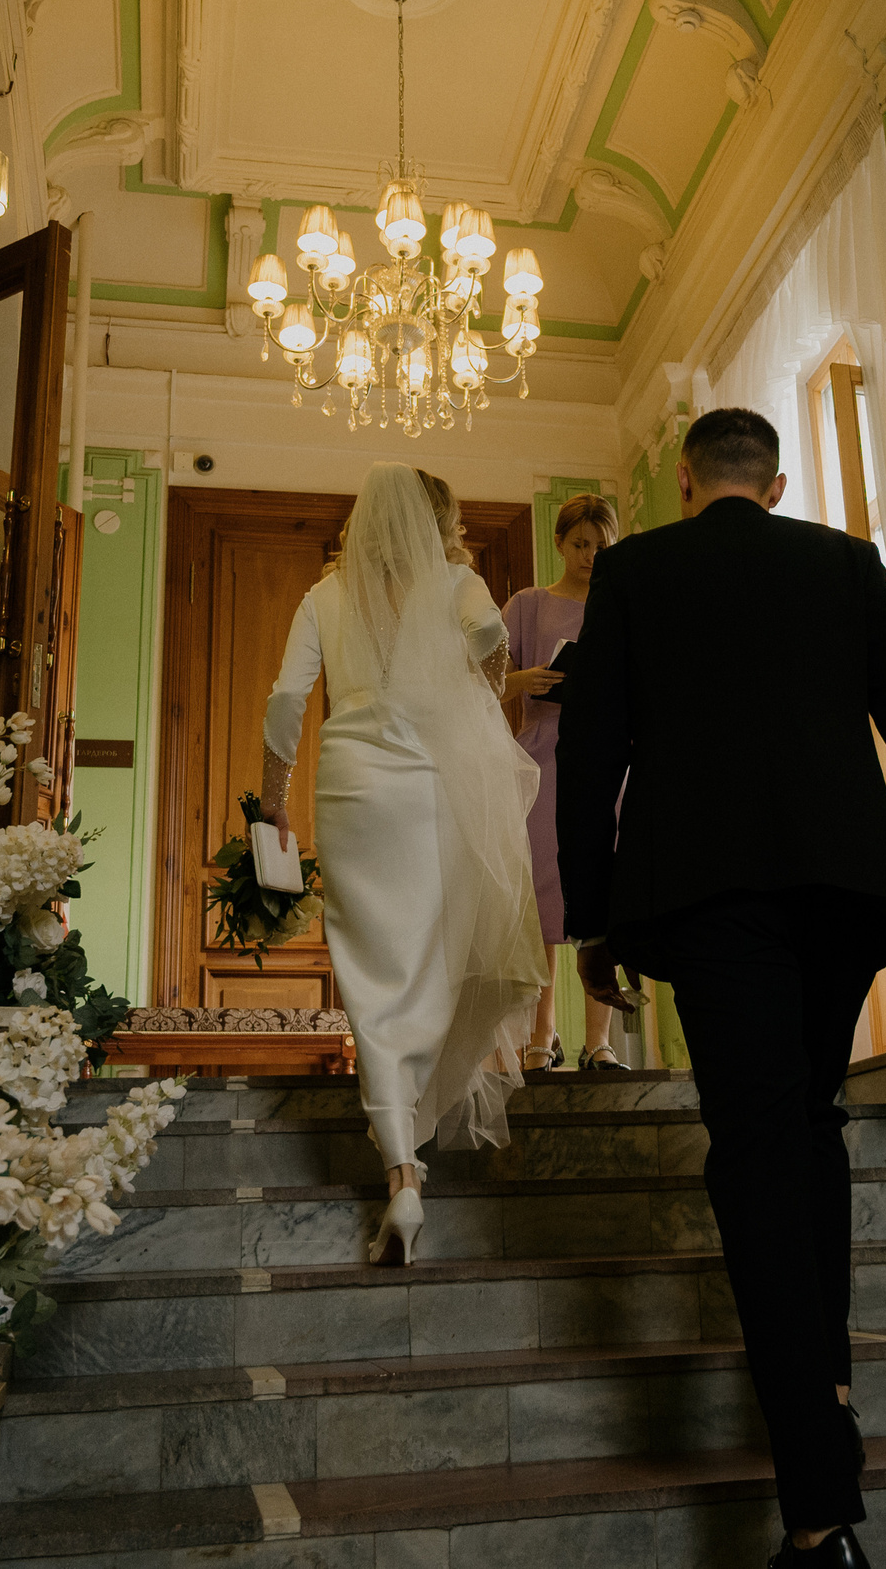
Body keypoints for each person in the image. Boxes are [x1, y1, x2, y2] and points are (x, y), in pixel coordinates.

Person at [556, 407, 886, 1569]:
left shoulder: (637, 569)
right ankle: (832, 1387)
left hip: (702, 894)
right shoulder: (842, 561)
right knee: (807, 1122)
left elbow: (591, 748)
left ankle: (817, 1509)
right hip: (838, 885)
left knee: (756, 1141)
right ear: (776, 478)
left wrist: (592, 916)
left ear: (689, 479)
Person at [260, 463, 548, 1266]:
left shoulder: (323, 596)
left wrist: (272, 798)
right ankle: (411, 1151)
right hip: (429, 785)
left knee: (370, 976)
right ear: (434, 523)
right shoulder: (458, 582)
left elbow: (288, 702)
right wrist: (473, 704)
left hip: (352, 791)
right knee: (432, 956)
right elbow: (495, 659)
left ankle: (401, 1173)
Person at [500, 492, 634, 1073]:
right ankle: (540, 1035)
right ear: (559, 542)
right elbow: (476, 683)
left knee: (601, 894)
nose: (590, 556)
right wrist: (521, 679)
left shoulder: (623, 604)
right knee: (544, 901)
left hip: (610, 763)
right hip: (541, 760)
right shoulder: (527, 605)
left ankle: (600, 1043)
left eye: (602, 546)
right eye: (581, 544)